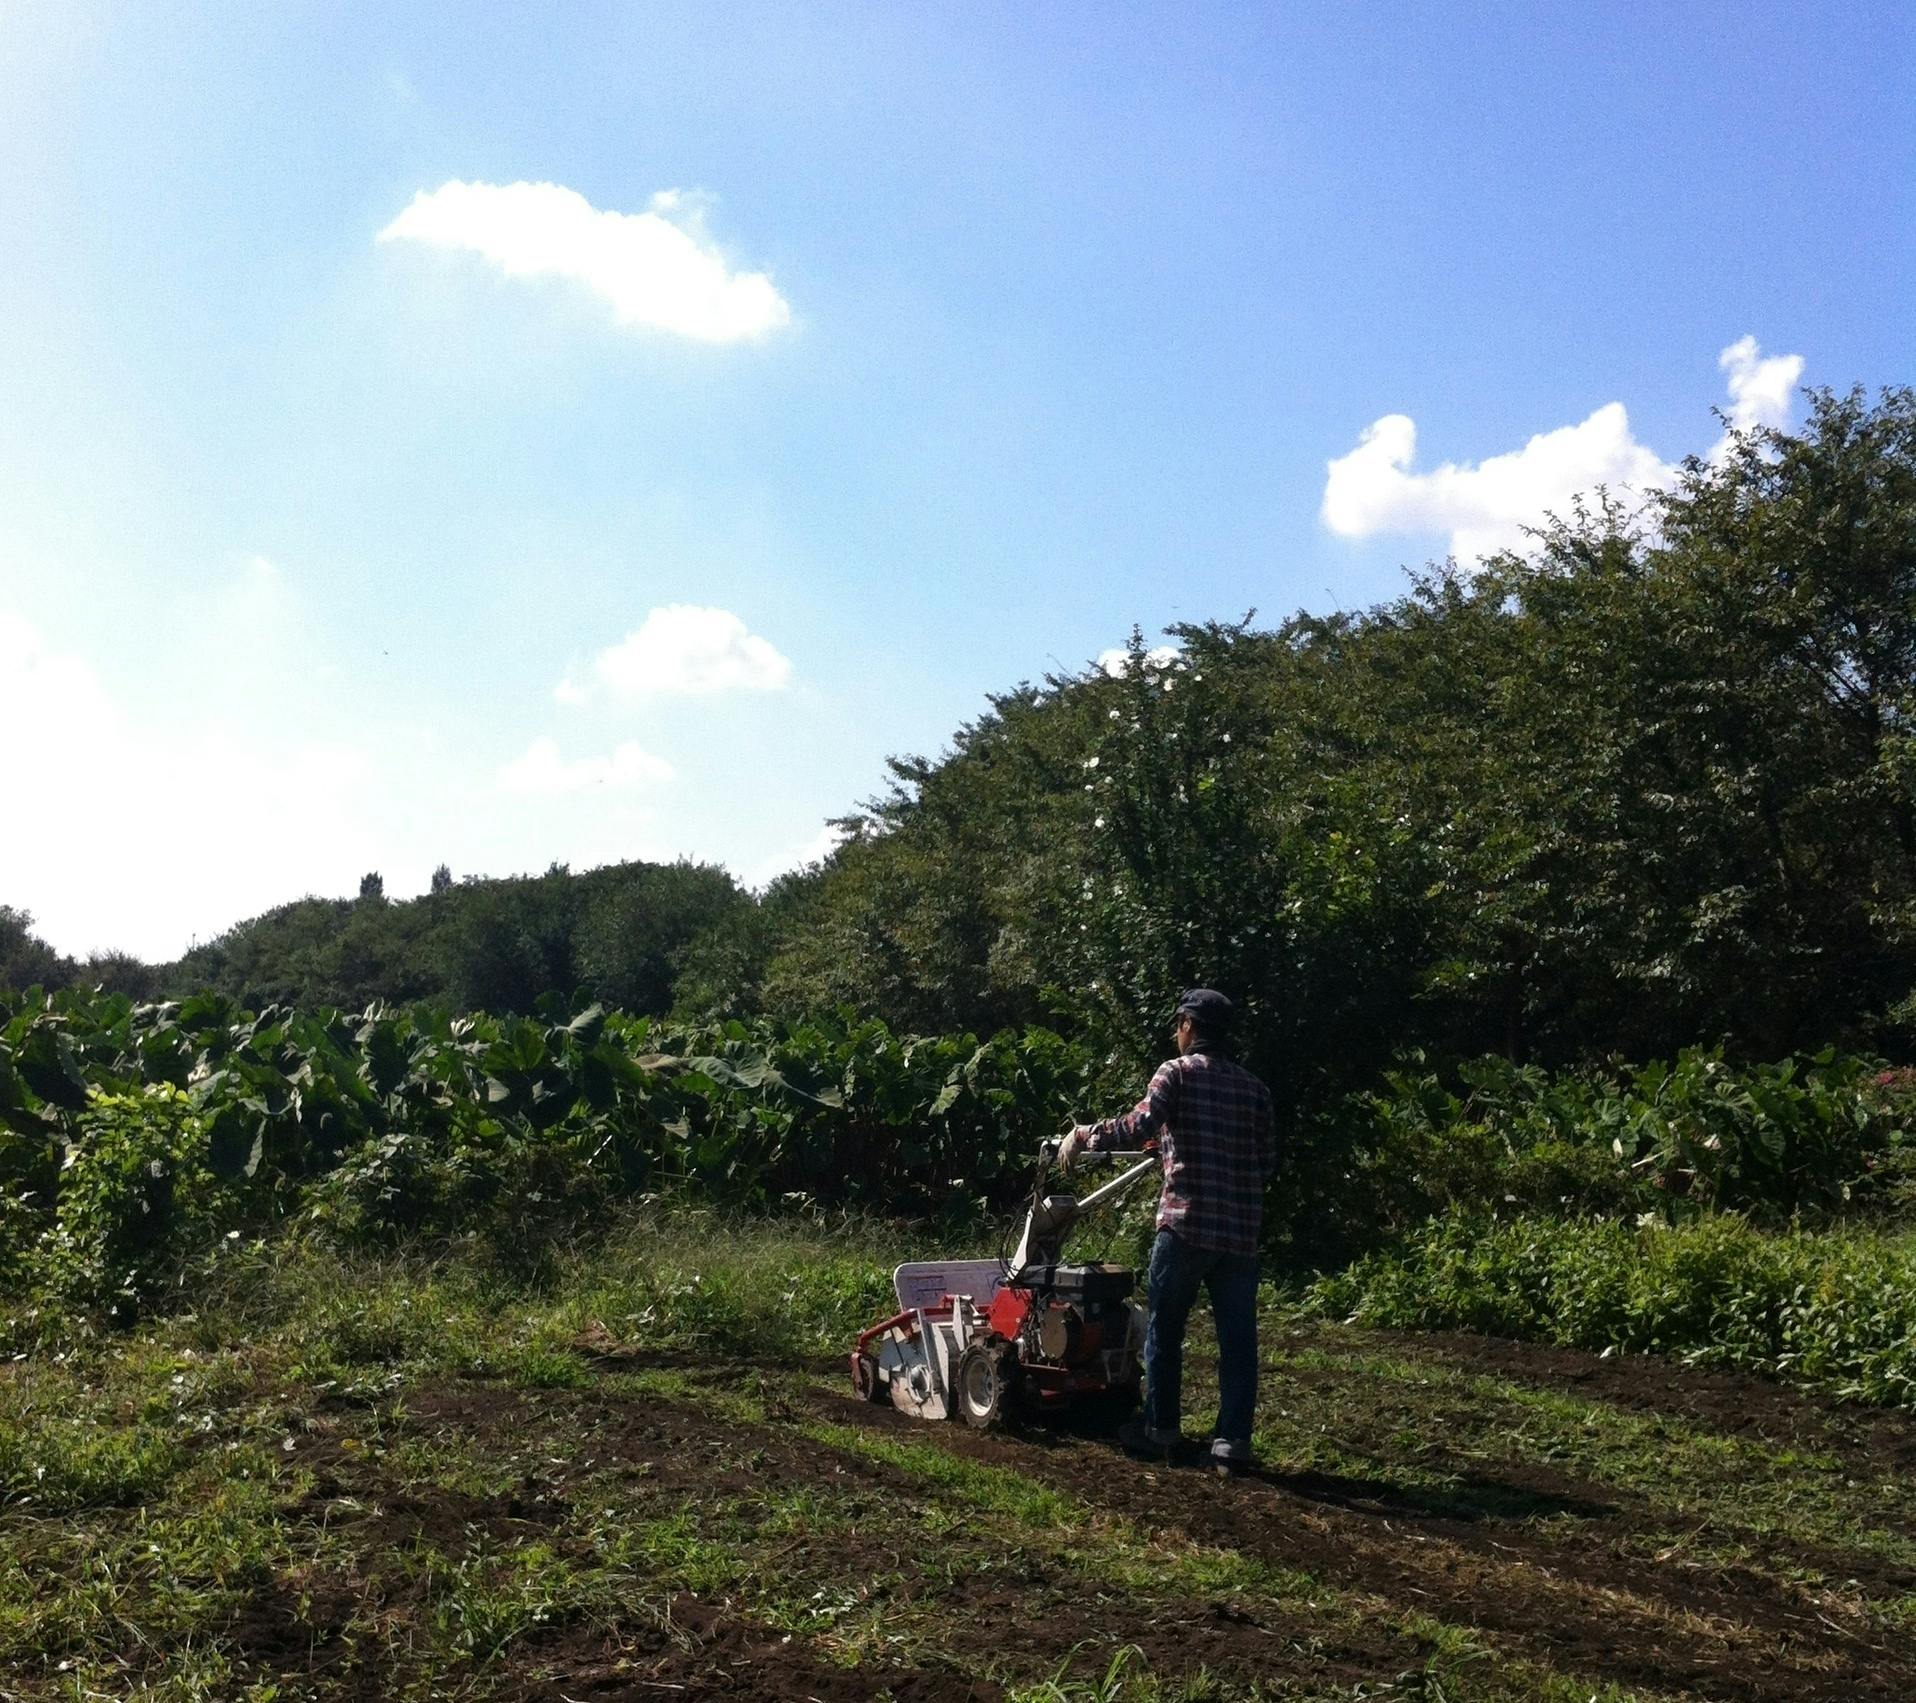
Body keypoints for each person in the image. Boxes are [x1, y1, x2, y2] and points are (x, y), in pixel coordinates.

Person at [1060, 987, 1276, 1470]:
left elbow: (1136, 1126)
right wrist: (1171, 1149)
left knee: (1164, 1329)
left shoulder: (1175, 1073)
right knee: (1238, 1341)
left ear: (1188, 1027)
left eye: (1179, 1025)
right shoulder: (1254, 1089)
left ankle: (1160, 1430)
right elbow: (1263, 1164)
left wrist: (1082, 1135)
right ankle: (1232, 1444)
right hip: (1240, 1236)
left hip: (1186, 1226)